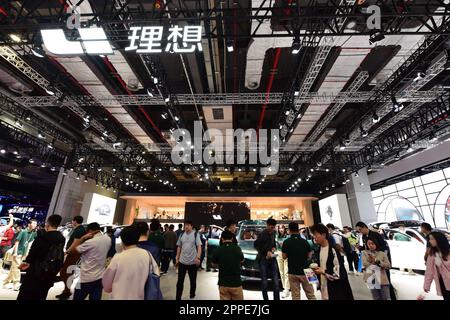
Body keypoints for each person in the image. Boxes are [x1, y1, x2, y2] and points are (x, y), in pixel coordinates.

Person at [16, 215, 65, 300]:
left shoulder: (42, 236)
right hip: (50, 272)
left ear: (48, 223)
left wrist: (25, 262)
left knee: (26, 293)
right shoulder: (61, 238)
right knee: (42, 293)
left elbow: (33, 252)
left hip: (36, 270)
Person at [102, 226, 151, 300]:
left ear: (122, 239)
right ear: (138, 238)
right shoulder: (147, 254)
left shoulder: (118, 257)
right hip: (139, 296)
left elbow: (107, 285)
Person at [310, 223, 354, 300]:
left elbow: (338, 272)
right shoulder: (318, 250)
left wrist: (323, 271)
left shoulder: (333, 250)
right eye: (313, 235)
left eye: (316, 235)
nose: (314, 237)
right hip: (324, 286)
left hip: (336, 288)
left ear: (323, 235)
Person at [355, 221, 396, 299]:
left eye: (360, 230)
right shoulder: (363, 236)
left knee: (386, 286)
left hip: (380, 264)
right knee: (375, 291)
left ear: (364, 227)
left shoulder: (375, 234)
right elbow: (366, 251)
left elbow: (384, 248)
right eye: (358, 231)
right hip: (371, 269)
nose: (360, 232)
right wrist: (361, 248)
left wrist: (377, 258)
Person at [71, 222, 111, 300]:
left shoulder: (90, 242)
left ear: (90, 231)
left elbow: (73, 250)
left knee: (77, 297)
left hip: (85, 277)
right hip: (100, 277)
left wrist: (82, 238)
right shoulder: (108, 239)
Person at [281, 222, 316, 300]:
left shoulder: (286, 242)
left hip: (292, 271)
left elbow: (284, 257)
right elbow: (309, 256)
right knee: (311, 295)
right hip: (306, 270)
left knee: (295, 296)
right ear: (298, 229)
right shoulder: (305, 241)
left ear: (289, 230)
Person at [56, 215, 86, 300]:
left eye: (73, 221)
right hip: (74, 253)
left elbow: (75, 243)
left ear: (75, 221)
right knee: (68, 272)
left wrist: (67, 251)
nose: (72, 222)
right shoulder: (79, 229)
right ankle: (66, 291)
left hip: (74, 254)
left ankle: (67, 291)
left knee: (65, 272)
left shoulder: (79, 230)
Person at [3, 219, 37, 290]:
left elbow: (30, 243)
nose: (35, 225)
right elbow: (17, 242)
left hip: (23, 253)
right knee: (17, 267)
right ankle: (16, 283)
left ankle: (5, 283)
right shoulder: (23, 231)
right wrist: (15, 252)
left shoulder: (33, 233)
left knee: (14, 268)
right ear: (29, 224)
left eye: (36, 224)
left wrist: (27, 254)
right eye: (33, 224)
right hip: (17, 253)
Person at [211, 230, 244, 300]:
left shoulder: (218, 249)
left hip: (223, 283)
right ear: (232, 238)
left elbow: (213, 263)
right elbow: (242, 260)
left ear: (222, 238)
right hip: (236, 283)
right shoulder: (237, 249)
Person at [254, 217, 280, 300]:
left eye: (274, 227)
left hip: (272, 259)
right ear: (267, 225)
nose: (273, 229)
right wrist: (266, 252)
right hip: (263, 259)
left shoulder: (274, 233)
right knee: (264, 282)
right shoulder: (262, 234)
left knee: (276, 282)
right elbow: (256, 245)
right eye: (271, 227)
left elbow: (273, 244)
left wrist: (273, 248)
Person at [175, 220, 202, 300]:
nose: (186, 226)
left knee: (193, 281)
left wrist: (198, 257)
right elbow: (179, 246)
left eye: (188, 225)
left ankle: (192, 294)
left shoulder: (195, 234)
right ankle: (178, 297)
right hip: (182, 262)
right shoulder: (181, 234)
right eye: (185, 225)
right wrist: (177, 257)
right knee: (180, 281)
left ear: (192, 226)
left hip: (192, 262)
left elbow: (199, 246)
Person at [423, 231, 450, 300]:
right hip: (443, 282)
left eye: (432, 239)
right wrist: (426, 285)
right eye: (429, 239)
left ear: (438, 239)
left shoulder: (448, 251)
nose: (430, 241)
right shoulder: (432, 254)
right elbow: (429, 271)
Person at [276, 224, 290, 298]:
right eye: (279, 228)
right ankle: (285, 288)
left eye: (282, 228)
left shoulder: (287, 236)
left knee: (286, 272)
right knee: (281, 272)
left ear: (284, 229)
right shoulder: (277, 236)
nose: (281, 229)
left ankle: (287, 289)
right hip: (279, 253)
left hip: (287, 254)